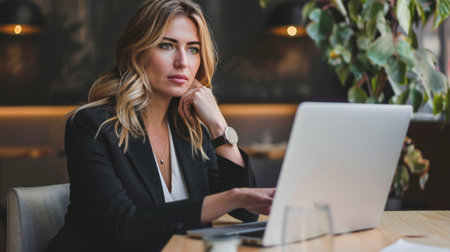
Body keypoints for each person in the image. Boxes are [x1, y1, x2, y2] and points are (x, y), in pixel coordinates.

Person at [45, 0, 275, 251]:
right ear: (137, 51)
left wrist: (219, 128)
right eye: (167, 45)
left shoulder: (192, 130)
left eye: (193, 49)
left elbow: (246, 213)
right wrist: (233, 198)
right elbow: (123, 226)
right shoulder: (92, 126)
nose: (182, 62)